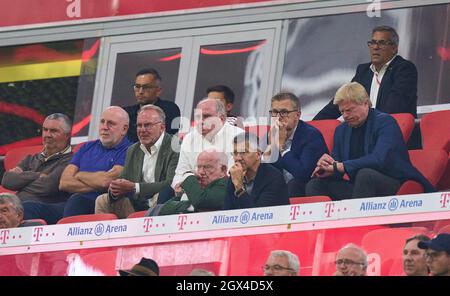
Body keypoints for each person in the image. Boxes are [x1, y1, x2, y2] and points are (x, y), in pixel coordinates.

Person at [306, 82, 434, 200]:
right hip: (360, 187)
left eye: (349, 110)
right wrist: (327, 168)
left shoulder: (385, 122)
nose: (345, 115)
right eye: (342, 111)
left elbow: (379, 160)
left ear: (365, 104)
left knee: (365, 174)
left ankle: (358, 223)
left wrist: (341, 166)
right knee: (315, 185)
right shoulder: (341, 130)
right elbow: (337, 167)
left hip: (395, 183)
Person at [23, 107, 132, 224]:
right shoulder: (86, 147)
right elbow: (64, 183)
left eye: (111, 123)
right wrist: (97, 181)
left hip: (101, 206)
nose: (104, 127)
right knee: (27, 207)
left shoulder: (130, 150)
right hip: (71, 204)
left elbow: (106, 181)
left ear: (124, 129)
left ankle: (65, 241)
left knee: (77, 200)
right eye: (102, 122)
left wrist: (79, 174)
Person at [314, 25, 418, 120]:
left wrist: (371, 124)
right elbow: (343, 100)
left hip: (395, 133)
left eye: (381, 43)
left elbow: (395, 105)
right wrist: (313, 125)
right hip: (368, 132)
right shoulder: (363, 71)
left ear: (394, 48)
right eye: (372, 42)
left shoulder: (404, 69)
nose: (375, 47)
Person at [95, 105, 179, 218]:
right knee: (102, 200)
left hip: (162, 205)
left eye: (148, 125)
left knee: (163, 194)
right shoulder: (133, 150)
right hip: (137, 205)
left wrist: (135, 187)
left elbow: (171, 184)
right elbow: (125, 180)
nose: (142, 130)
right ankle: (106, 235)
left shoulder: (175, 146)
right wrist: (115, 189)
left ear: (162, 127)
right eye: (139, 125)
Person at [167, 98, 242, 202]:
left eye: (206, 116)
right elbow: (179, 175)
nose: (201, 121)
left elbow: (230, 177)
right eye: (198, 117)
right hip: (190, 197)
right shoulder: (189, 138)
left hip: (225, 198)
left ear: (222, 118)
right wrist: (181, 183)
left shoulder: (239, 137)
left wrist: (191, 180)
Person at [263, 92, 328, 197]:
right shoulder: (269, 136)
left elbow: (303, 175)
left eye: (284, 112)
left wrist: (282, 147)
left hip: (303, 189)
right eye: (274, 112)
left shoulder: (311, 136)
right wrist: (270, 148)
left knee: (294, 184)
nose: (278, 117)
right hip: (279, 191)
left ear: (297, 115)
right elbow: (262, 175)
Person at [2, 113, 73, 204]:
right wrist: (38, 176)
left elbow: (48, 186)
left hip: (44, 209)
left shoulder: (71, 160)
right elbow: (7, 180)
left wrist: (21, 182)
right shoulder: (30, 159)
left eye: (54, 131)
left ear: (67, 135)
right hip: (17, 208)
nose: (47, 135)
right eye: (45, 130)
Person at [224, 132, 288, 210]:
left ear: (258, 154)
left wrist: (239, 188)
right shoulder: (234, 177)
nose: (238, 158)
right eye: (235, 153)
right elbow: (226, 213)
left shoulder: (273, 178)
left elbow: (259, 216)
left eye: (243, 152)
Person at [154, 150, 227, 216]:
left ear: (223, 170)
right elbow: (164, 209)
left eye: (207, 167)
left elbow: (200, 202)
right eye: (199, 167)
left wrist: (188, 175)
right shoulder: (198, 189)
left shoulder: (226, 185)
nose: (201, 172)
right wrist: (183, 195)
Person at [124, 68, 181, 142]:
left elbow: (169, 139)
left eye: (146, 87)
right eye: (137, 87)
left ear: (158, 91)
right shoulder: (127, 113)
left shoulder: (170, 109)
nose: (140, 91)